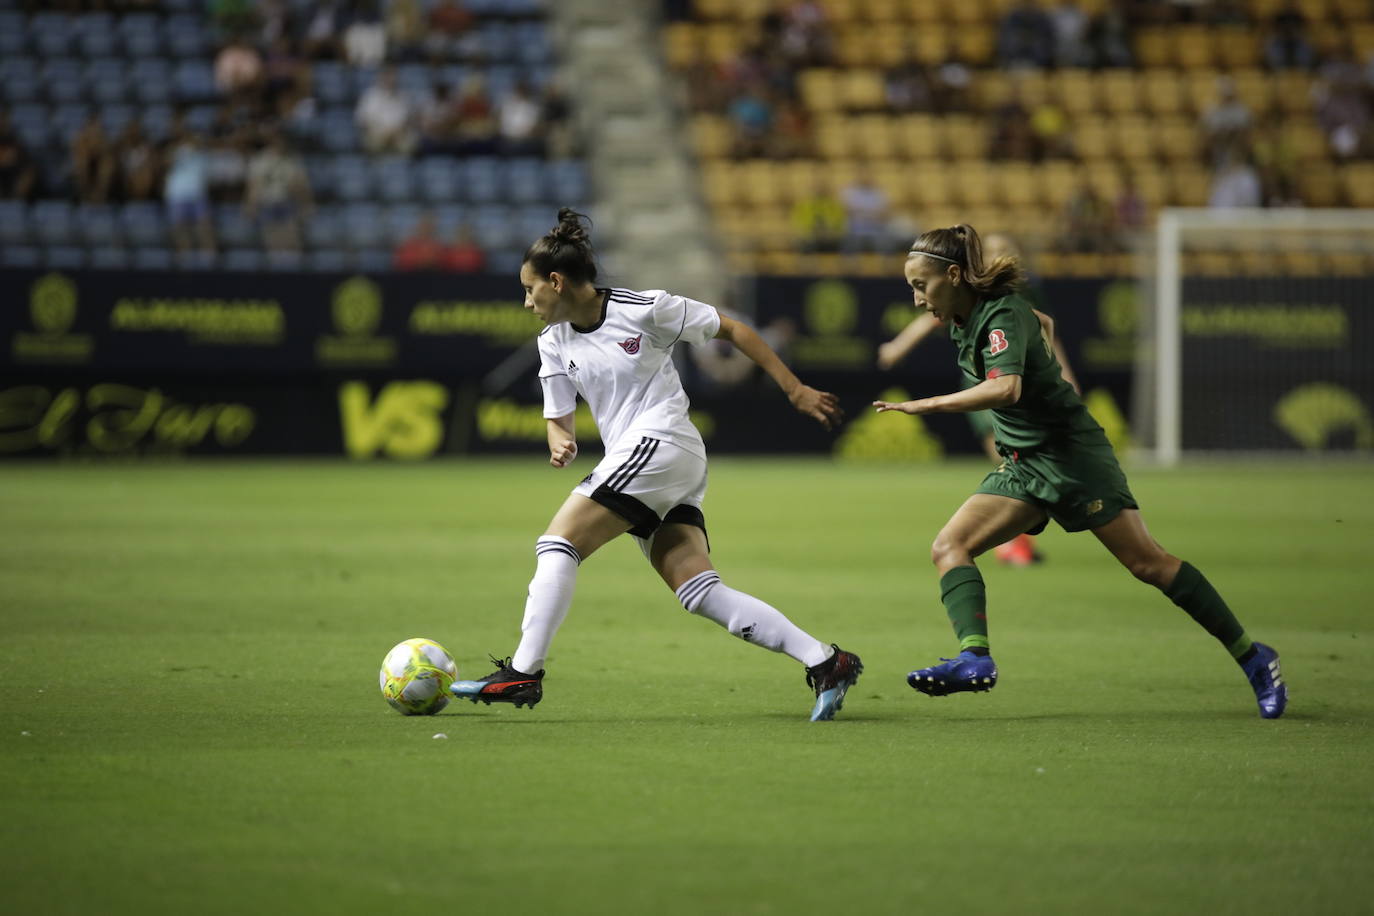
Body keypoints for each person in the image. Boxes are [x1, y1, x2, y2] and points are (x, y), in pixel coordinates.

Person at [450, 209, 863, 721]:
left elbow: (733, 329)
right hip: (656, 463)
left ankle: (524, 671)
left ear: (556, 281)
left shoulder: (645, 309)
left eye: (531, 289)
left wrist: (794, 389)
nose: (527, 301)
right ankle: (827, 661)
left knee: (558, 543)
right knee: (700, 592)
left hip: (661, 443)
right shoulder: (553, 340)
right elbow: (558, 416)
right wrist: (561, 440)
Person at [871, 224, 1287, 719]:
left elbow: (1007, 389)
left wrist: (928, 404)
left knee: (1148, 564)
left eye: (921, 286)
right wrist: (1042, 340)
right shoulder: (968, 315)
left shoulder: (1002, 312)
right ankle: (973, 659)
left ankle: (1254, 657)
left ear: (955, 275)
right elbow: (1042, 321)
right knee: (949, 547)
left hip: (1073, 457)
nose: (917, 299)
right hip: (1025, 466)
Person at [878, 232, 1076, 566]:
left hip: (1020, 383)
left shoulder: (1022, 292)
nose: (999, 254)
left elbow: (1045, 328)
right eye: (993, 249)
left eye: (1006, 248)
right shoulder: (970, 291)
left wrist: (1063, 377)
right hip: (984, 384)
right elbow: (929, 321)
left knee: (1022, 464)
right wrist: (899, 346)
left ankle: (1013, 532)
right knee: (1011, 460)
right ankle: (1012, 539)